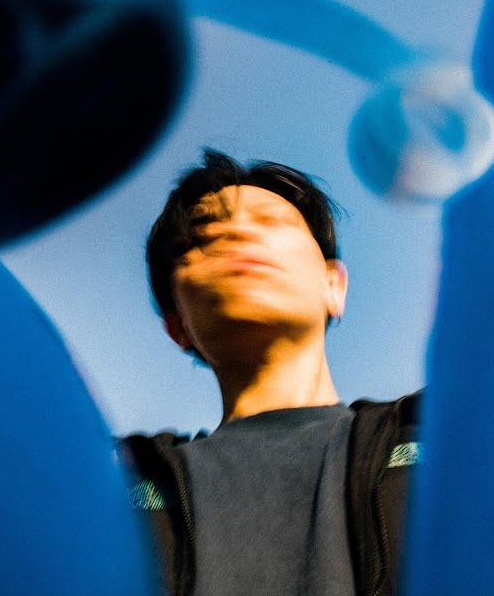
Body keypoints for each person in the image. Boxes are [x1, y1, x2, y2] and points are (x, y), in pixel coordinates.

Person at [121, 149, 422, 596]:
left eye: (272, 222)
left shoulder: (439, 432)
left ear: (334, 286)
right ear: (177, 325)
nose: (237, 232)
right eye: (204, 234)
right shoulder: (116, 488)